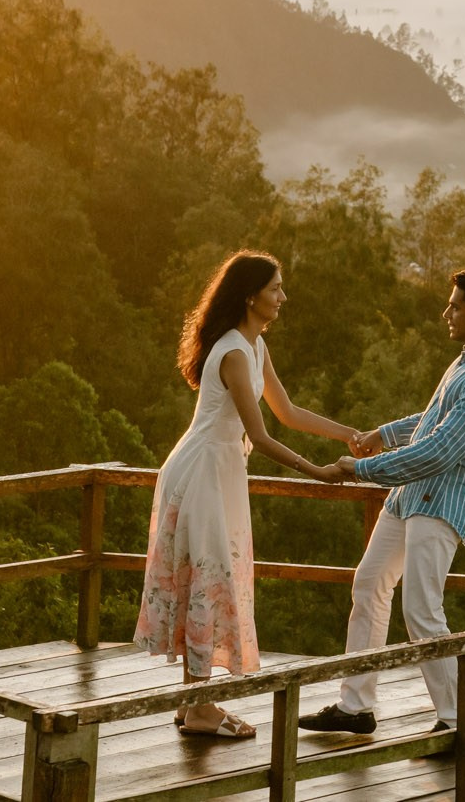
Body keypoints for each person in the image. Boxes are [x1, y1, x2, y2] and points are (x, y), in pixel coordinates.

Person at [133, 249, 363, 739]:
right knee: (206, 578)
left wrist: (350, 435)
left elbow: (288, 411)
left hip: (219, 471)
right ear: (250, 295)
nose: (284, 296)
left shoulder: (253, 346)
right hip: (202, 471)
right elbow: (259, 436)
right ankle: (198, 709)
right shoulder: (235, 353)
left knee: (211, 575)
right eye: (276, 288)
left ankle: (193, 702)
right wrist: (316, 471)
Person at [297, 267, 465, 737]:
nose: (447, 313)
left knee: (422, 609)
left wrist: (359, 470)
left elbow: (440, 450)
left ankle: (458, 720)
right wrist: (385, 434)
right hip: (414, 495)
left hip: (443, 501)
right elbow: (438, 416)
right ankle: (356, 706)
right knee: (370, 583)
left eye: (456, 306)